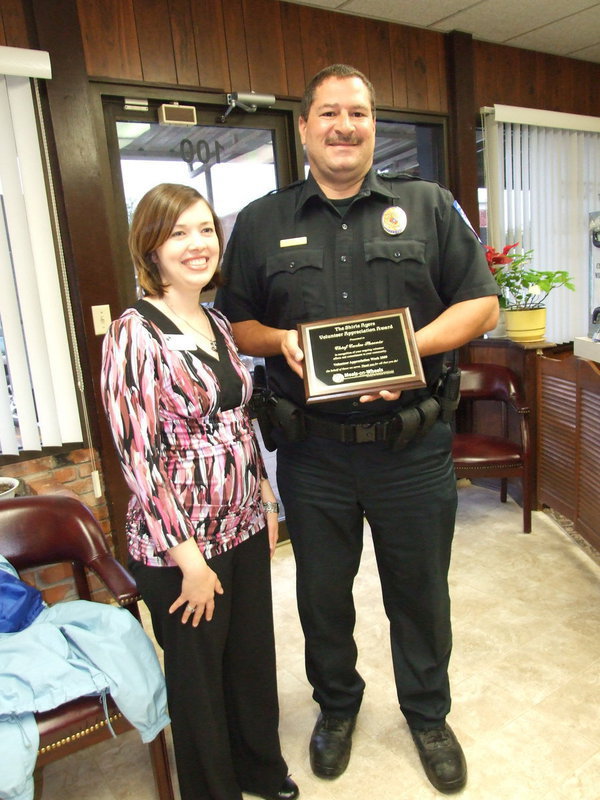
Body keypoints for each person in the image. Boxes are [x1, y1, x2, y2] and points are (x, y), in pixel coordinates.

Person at [216, 64, 499, 794]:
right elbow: (238, 321)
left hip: (412, 447)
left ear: (374, 125)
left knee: (420, 593)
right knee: (322, 596)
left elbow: (481, 307)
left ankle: (428, 715)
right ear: (304, 126)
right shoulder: (262, 221)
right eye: (330, 113)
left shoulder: (430, 206)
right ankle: (337, 708)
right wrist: (280, 342)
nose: (346, 126)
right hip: (313, 454)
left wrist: (411, 349)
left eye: (360, 114)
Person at [100, 183, 299, 800]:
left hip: (240, 524)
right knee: (198, 677)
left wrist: (265, 501)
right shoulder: (132, 333)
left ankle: (259, 770)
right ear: (151, 247)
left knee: (248, 660)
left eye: (206, 229)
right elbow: (139, 457)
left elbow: (238, 420)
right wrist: (187, 558)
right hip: (180, 544)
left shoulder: (214, 321)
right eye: (179, 232)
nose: (197, 244)